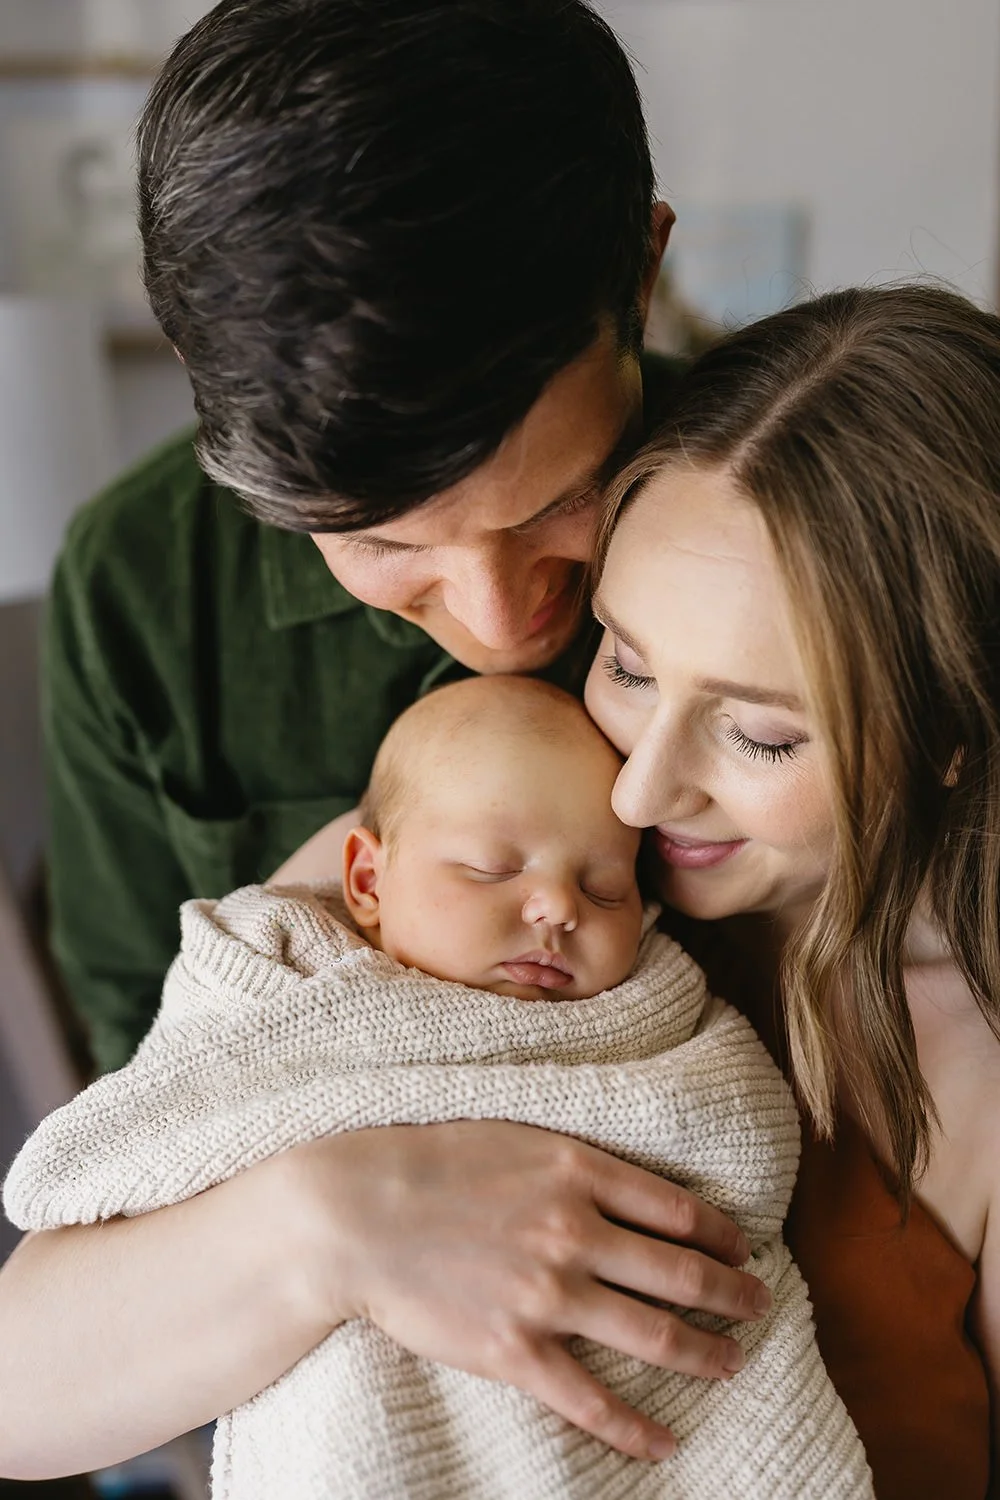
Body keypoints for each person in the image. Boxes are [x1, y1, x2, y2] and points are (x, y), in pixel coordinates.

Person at [1, 2, 768, 1482]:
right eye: (389, 548)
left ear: (645, 268)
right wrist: (338, 1221)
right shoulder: (149, 591)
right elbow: (111, 1221)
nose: (497, 621)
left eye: (563, 499)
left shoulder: (795, 523)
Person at [4, 678, 871, 1498]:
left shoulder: (655, 1007)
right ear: (369, 882)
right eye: (494, 871)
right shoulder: (285, 982)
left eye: (604, 887)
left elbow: (732, 1136)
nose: (556, 910)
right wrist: (331, 1223)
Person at [583, 282, 999, 1498]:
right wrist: (332, 1226)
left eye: (760, 737)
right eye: (623, 662)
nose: (639, 793)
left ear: (950, 738)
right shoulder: (485, 855)